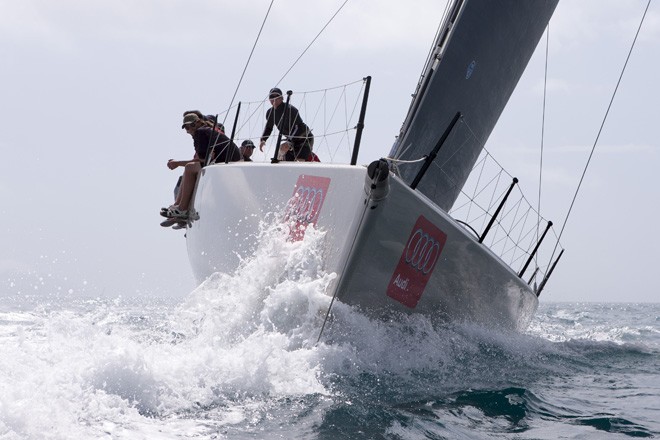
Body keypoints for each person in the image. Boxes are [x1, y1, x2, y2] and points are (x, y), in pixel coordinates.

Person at [161, 113, 241, 223]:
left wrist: (178, 163)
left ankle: (182, 209)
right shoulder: (204, 130)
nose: (188, 130)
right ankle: (177, 206)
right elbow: (203, 158)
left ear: (198, 123)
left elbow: (202, 160)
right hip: (229, 159)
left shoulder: (200, 132)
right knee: (189, 168)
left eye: (190, 126)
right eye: (186, 128)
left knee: (189, 168)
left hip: (228, 161)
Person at [258, 87, 314, 161]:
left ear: (282, 98)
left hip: (304, 138)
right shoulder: (270, 113)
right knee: (281, 156)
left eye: (277, 97)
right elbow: (269, 127)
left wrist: (289, 141)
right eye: (271, 97)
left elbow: (298, 127)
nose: (274, 99)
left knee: (298, 160)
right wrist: (263, 139)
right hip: (292, 140)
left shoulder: (290, 109)